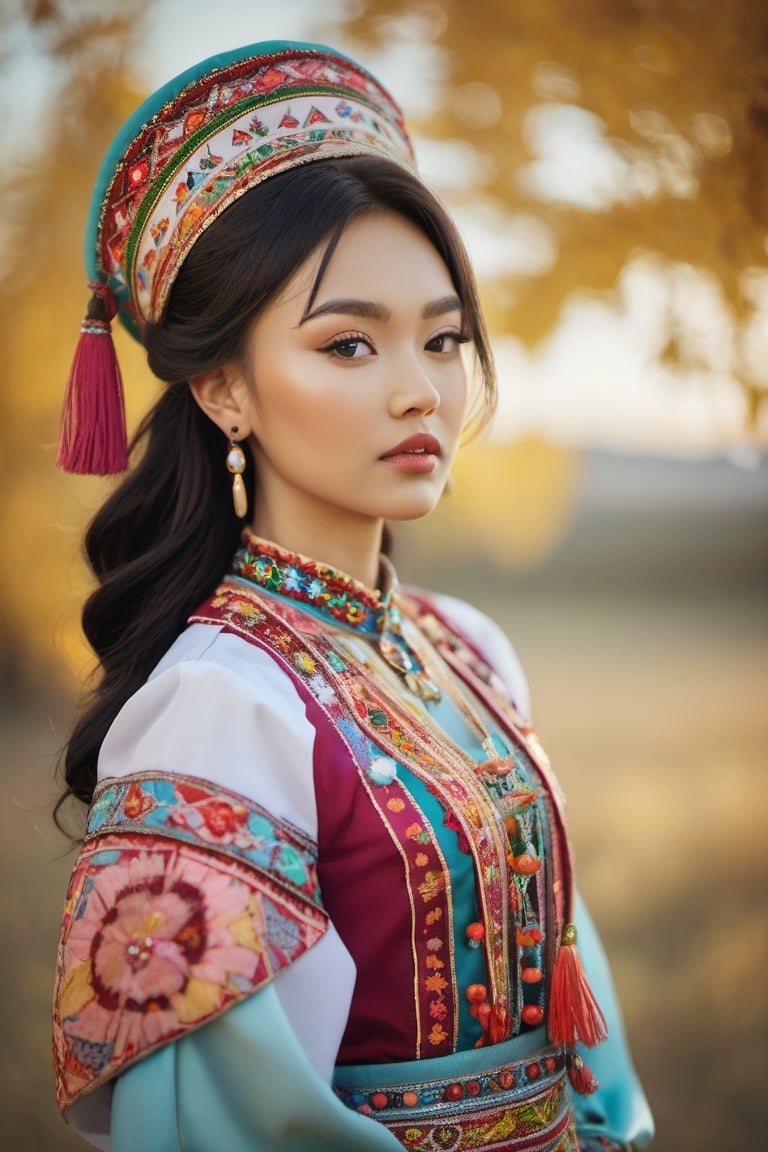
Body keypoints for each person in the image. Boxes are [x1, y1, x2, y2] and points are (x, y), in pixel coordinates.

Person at [52, 40, 654, 1152]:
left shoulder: (466, 647)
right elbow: (231, 1118)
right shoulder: (221, 701)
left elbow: (577, 996)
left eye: (443, 337)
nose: (419, 389)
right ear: (225, 387)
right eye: (348, 345)